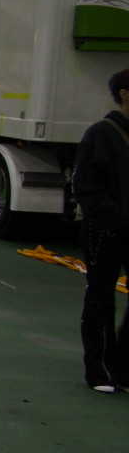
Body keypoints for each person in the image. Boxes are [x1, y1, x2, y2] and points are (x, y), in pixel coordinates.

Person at [71, 68, 129, 391]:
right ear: (124, 93)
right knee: (101, 298)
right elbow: (85, 186)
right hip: (104, 230)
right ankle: (100, 371)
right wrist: (116, 214)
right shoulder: (101, 134)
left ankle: (123, 368)